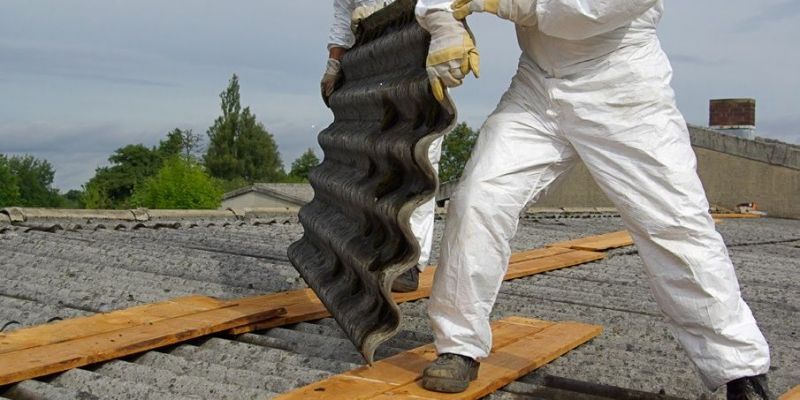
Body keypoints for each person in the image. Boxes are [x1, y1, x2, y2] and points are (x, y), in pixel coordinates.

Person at [413, 0, 772, 398]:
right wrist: (445, 24)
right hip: (536, 86)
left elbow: (583, 12)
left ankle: (741, 370)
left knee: (675, 225)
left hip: (622, 86)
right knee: (478, 200)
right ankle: (458, 346)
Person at [323, 0, 444, 292]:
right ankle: (369, 251)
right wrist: (335, 63)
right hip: (372, 65)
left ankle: (410, 262)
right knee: (370, 160)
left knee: (419, 161)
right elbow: (343, 11)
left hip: (419, 56)